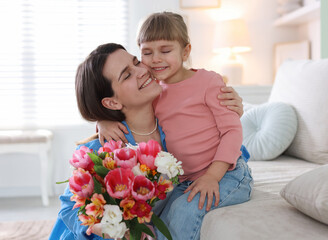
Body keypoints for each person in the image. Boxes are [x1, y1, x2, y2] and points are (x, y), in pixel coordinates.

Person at [49, 42, 247, 239]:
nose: (142, 70)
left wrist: (225, 111)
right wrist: (101, 227)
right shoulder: (103, 151)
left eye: (136, 62)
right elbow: (68, 209)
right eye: (127, 75)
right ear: (112, 102)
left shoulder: (178, 124)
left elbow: (235, 151)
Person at [96, 12, 253, 240]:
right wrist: (102, 120)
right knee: (155, 215)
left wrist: (212, 176)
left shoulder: (208, 82)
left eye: (166, 50)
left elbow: (232, 130)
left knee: (184, 210)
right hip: (186, 179)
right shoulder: (154, 90)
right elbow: (123, 105)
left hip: (228, 173)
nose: (156, 59)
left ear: (186, 51)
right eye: (147, 53)